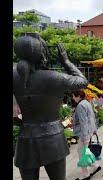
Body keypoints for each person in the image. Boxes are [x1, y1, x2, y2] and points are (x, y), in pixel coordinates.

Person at [13, 33, 88, 180]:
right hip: (53, 138)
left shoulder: (14, 76)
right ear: (42, 53)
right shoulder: (54, 77)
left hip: (26, 138)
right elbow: (82, 81)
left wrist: (18, 121)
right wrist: (66, 61)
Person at [72, 90, 101, 180]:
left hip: (84, 132)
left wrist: (85, 137)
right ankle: (95, 165)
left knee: (82, 153)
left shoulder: (80, 106)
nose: (73, 98)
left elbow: (83, 122)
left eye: (73, 96)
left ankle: (85, 174)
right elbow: (92, 117)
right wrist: (94, 130)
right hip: (89, 131)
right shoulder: (87, 102)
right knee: (85, 151)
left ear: (78, 97)